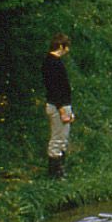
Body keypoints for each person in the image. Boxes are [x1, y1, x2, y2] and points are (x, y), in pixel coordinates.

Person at [42, 33, 75, 178]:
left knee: (63, 139)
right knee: (57, 139)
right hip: (57, 106)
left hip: (61, 105)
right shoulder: (53, 64)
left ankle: (60, 170)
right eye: (67, 46)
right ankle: (55, 173)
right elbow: (54, 89)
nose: (68, 50)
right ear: (61, 46)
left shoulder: (51, 62)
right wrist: (62, 110)